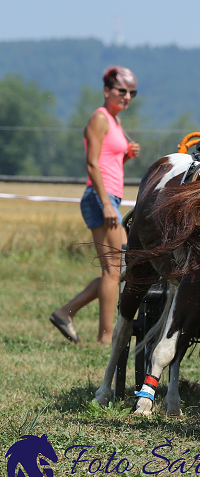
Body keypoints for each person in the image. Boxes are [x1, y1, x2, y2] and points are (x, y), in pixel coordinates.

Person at [50, 66, 140, 345]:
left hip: (109, 197)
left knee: (118, 268)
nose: (127, 96)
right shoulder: (99, 119)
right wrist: (106, 204)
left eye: (132, 93)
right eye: (121, 91)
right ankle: (105, 338)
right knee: (116, 269)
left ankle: (66, 313)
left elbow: (108, 164)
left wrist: (126, 156)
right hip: (100, 198)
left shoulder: (115, 121)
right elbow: (91, 163)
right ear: (107, 91)